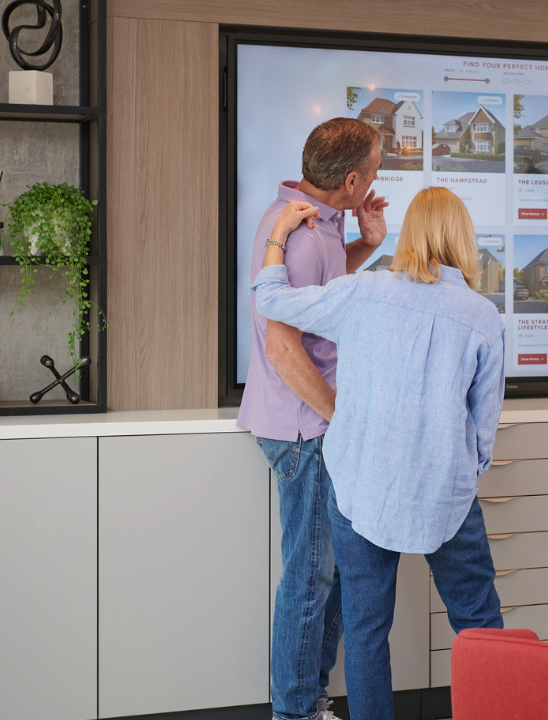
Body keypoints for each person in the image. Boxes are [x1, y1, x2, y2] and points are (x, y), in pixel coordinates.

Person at [252, 186, 506, 720]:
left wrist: (277, 236)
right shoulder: (482, 317)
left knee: (367, 632)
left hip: (362, 487)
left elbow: (271, 300)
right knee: (479, 625)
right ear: (463, 238)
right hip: (446, 492)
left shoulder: (363, 292)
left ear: (410, 235)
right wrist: (464, 469)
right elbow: (483, 430)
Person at [236, 117, 389, 720]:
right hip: (307, 429)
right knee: (310, 579)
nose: (376, 182)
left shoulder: (316, 222)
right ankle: (295, 711)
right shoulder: (298, 235)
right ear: (350, 179)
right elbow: (282, 346)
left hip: (313, 426)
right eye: (373, 173)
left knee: (325, 577)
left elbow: (320, 293)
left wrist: (367, 244)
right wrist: (338, 415)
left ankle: (309, 700)